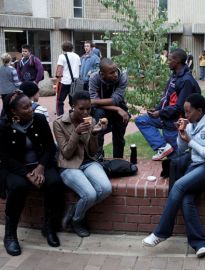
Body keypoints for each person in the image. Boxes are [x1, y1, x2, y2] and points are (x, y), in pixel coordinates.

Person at [142, 93, 205, 258]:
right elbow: (181, 149)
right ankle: (202, 243)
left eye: (188, 112)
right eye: (184, 111)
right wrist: (181, 134)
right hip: (197, 166)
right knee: (186, 198)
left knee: (179, 185)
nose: (185, 115)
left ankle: (161, 232)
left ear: (200, 110)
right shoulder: (190, 124)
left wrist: (190, 141)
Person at [0, 90, 64, 256]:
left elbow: (50, 147)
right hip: (16, 168)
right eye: (26, 107)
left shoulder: (40, 120)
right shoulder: (4, 127)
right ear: (14, 111)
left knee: (54, 182)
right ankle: (10, 235)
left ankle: (48, 227)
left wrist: (41, 167)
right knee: (18, 186)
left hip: (40, 164)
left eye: (30, 105)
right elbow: (5, 157)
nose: (31, 109)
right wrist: (27, 174)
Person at [53, 91, 111, 238]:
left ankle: (74, 210)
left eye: (88, 109)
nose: (85, 112)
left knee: (106, 189)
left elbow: (92, 151)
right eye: (81, 109)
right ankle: (77, 220)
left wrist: (94, 134)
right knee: (89, 194)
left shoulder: (90, 121)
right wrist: (76, 133)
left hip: (88, 162)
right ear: (72, 107)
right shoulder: (59, 123)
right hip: (68, 165)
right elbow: (66, 153)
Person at [135, 48, 201, 161]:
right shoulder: (174, 75)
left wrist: (159, 113)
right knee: (141, 120)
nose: (167, 62)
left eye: (170, 60)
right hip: (165, 116)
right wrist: (156, 109)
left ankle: (172, 155)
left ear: (178, 61)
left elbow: (179, 107)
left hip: (174, 122)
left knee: (174, 160)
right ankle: (162, 147)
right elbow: (166, 97)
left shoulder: (186, 80)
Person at [89, 58, 129, 159]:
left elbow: (115, 100)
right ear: (102, 74)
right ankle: (98, 156)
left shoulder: (123, 76)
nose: (115, 74)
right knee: (98, 127)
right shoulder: (94, 78)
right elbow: (93, 104)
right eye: (111, 72)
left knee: (119, 134)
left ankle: (118, 159)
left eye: (115, 70)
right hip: (102, 110)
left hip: (119, 107)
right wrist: (116, 109)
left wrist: (95, 102)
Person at [55, 41, 81, 116]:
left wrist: (57, 81)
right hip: (75, 82)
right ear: (72, 48)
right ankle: (75, 115)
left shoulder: (62, 56)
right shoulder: (77, 56)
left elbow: (59, 70)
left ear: (63, 48)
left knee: (60, 101)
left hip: (65, 82)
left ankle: (60, 117)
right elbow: (79, 68)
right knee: (73, 101)